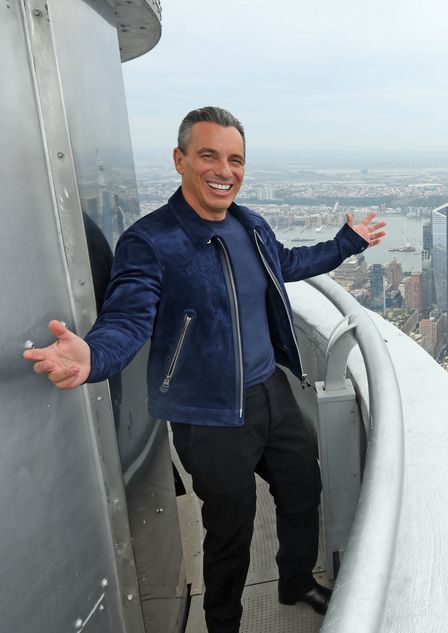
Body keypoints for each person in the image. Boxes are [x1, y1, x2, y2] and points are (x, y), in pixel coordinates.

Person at [23, 106, 386, 633]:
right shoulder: (152, 242)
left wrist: (346, 243)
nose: (224, 169)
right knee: (230, 529)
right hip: (207, 414)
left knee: (303, 489)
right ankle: (223, 624)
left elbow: (286, 265)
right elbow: (127, 317)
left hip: (270, 392)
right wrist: (94, 356)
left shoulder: (249, 224)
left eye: (235, 159)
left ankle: (295, 580)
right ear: (181, 160)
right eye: (209, 155)